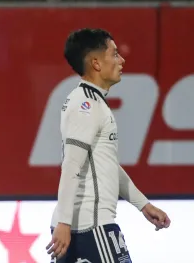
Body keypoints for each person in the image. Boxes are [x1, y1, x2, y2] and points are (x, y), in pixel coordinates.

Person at [46, 28, 171, 263]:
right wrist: (64, 221)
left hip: (82, 227)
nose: (121, 60)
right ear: (96, 63)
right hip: (91, 229)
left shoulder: (91, 102)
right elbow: (71, 166)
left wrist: (143, 205)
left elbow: (107, 166)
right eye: (114, 54)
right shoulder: (87, 105)